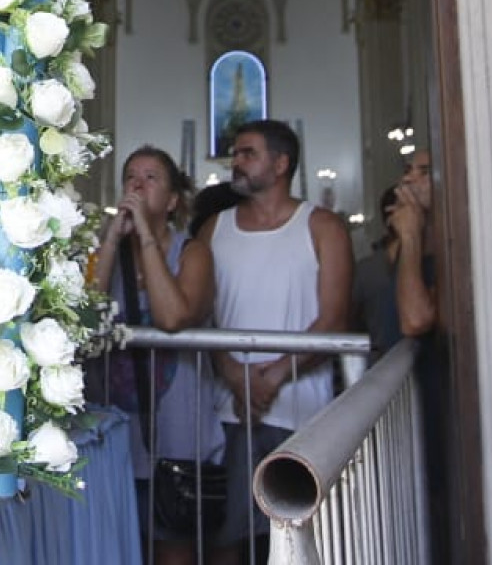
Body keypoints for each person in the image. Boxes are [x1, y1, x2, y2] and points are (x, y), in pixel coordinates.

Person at [202, 120, 353, 563]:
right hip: (229, 412)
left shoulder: (322, 226)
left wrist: (272, 375)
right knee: (229, 538)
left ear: (281, 163)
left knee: (301, 537)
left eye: (248, 152)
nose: (236, 161)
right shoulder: (215, 228)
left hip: (301, 411)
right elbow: (203, 313)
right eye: (236, 152)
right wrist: (233, 374)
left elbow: (334, 318)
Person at [93, 147, 222, 563]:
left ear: (172, 201)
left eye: (151, 178)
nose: (137, 184)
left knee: (173, 548)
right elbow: (84, 313)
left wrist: (146, 235)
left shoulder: (192, 253)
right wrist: (113, 238)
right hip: (115, 431)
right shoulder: (106, 251)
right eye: (131, 176)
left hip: (177, 432)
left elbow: (173, 317)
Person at [353, 147, 436, 354]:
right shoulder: (403, 247)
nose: (408, 179)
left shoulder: (449, 247)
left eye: (424, 172)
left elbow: (415, 321)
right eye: (408, 170)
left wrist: (409, 235)